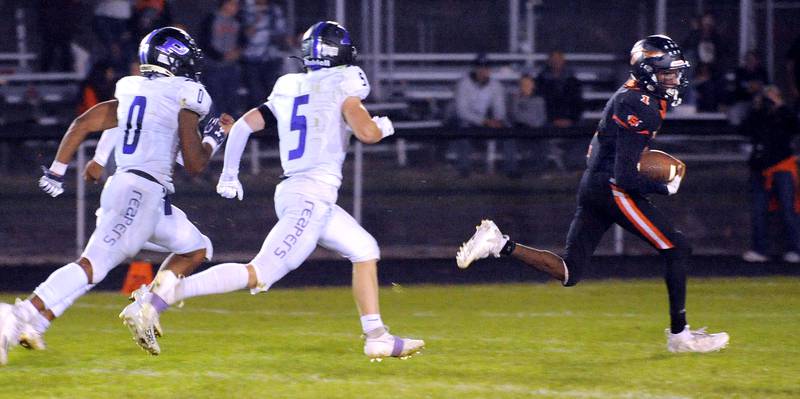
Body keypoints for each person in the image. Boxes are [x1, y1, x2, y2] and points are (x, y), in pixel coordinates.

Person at [134, 21, 424, 361]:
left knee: (364, 249)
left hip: (300, 191)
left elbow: (243, 125)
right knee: (259, 274)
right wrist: (383, 126)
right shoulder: (344, 81)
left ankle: (377, 336)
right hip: (310, 196)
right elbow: (367, 133)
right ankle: (158, 298)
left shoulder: (291, 85)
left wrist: (230, 174)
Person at [456, 35, 729, 353]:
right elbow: (626, 175)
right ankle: (680, 337)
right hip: (612, 186)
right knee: (677, 247)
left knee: (569, 271)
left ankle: (500, 243)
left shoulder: (638, 97)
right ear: (646, 72)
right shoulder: (638, 104)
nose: (674, 78)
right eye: (667, 72)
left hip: (596, 183)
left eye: (674, 72)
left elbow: (610, 154)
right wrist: (662, 186)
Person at [0, 27, 229, 364]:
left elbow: (84, 122)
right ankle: (17, 314)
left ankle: (143, 308)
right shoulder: (187, 94)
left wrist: (58, 169)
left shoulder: (133, 88)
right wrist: (214, 139)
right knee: (92, 266)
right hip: (141, 193)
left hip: (144, 196)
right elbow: (194, 164)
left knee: (196, 248)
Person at [740, 86, 800, 263]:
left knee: (789, 210)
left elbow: (795, 126)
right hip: (760, 168)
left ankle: (795, 248)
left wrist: (780, 106)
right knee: (759, 210)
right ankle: (760, 249)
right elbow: (744, 129)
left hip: (782, 165)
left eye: (771, 97)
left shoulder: (784, 114)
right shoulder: (759, 115)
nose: (768, 101)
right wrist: (757, 108)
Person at [452, 53, 507, 177]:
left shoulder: (495, 85)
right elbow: (462, 112)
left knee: (507, 130)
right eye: (480, 67)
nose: (483, 70)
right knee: (463, 129)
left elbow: (500, 109)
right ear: (475, 68)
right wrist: (484, 121)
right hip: (467, 121)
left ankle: (510, 170)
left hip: (486, 122)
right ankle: (464, 169)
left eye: (486, 67)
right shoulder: (463, 84)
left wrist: (497, 120)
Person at [200, 0, 244, 116]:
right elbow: (204, 42)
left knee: (232, 99)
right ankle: (215, 128)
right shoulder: (211, 19)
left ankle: (231, 129)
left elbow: (242, 39)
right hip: (213, 66)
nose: (236, 7)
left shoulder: (238, 20)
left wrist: (238, 51)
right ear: (225, 4)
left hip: (232, 66)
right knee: (216, 99)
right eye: (233, 4)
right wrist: (220, 56)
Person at [241, 0, 288, 106]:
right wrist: (255, 21)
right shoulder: (246, 9)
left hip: (271, 58)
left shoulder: (274, 10)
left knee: (272, 92)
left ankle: (271, 119)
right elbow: (242, 32)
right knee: (255, 93)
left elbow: (281, 32)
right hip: (251, 58)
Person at [509, 74, 548, 173]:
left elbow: (541, 118)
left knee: (542, 141)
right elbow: (515, 116)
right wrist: (529, 120)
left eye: (528, 83)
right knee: (510, 141)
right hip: (520, 130)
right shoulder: (515, 100)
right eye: (523, 84)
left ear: (533, 85)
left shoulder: (539, 100)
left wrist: (531, 121)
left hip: (536, 131)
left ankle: (539, 171)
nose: (525, 86)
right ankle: (513, 171)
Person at [536, 50, 583, 128]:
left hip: (571, 123)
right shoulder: (541, 81)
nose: (556, 62)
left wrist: (571, 119)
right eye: (554, 59)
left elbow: (577, 103)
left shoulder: (573, 82)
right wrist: (552, 120)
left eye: (558, 59)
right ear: (549, 61)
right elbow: (540, 104)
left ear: (563, 61)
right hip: (547, 124)